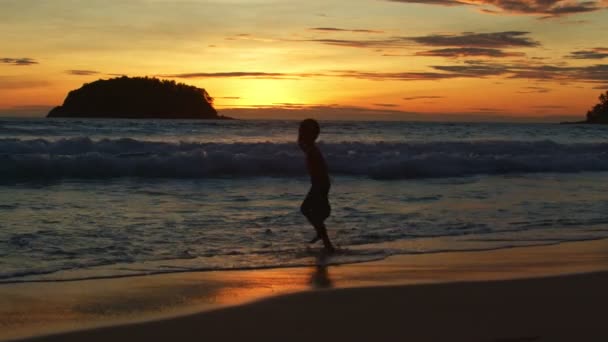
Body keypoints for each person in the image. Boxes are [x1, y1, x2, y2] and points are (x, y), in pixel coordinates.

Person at [298, 119, 335, 253]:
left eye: (302, 132)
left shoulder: (312, 149)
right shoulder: (311, 148)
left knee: (306, 209)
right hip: (320, 183)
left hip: (320, 184)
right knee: (312, 211)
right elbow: (301, 144)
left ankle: (327, 242)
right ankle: (326, 241)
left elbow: (301, 144)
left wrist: (304, 131)